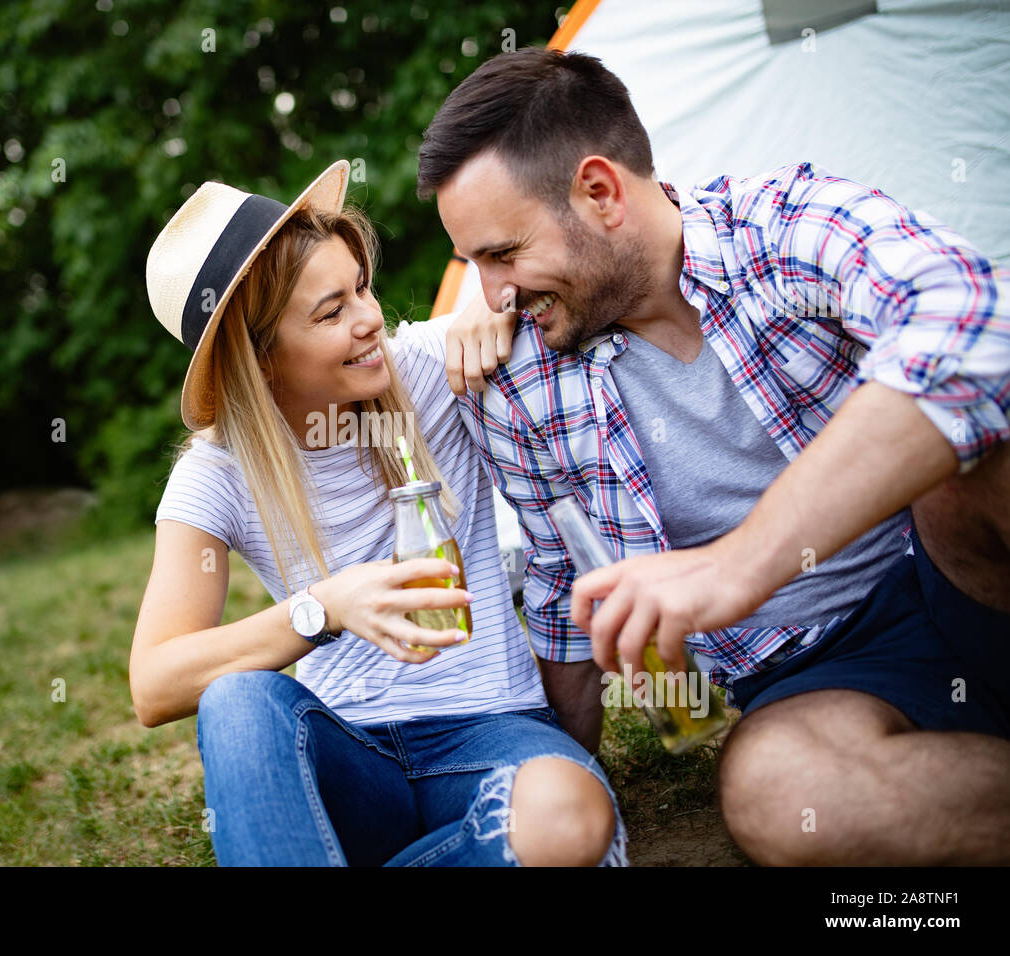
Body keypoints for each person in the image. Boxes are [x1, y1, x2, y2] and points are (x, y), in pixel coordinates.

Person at [415, 46, 1010, 865]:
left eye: (503, 254)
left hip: (958, 570)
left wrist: (737, 566)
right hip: (816, 677)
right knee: (777, 793)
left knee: (982, 453)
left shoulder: (785, 225)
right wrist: (566, 770)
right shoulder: (518, 381)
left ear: (598, 192)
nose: (491, 295)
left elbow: (977, 328)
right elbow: (561, 588)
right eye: (472, 262)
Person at [132, 159, 628, 866]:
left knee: (568, 816)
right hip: (350, 755)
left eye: (360, 288)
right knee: (237, 702)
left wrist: (499, 297)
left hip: (492, 729)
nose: (371, 320)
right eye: (331, 313)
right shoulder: (216, 474)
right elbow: (154, 683)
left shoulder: (433, 367)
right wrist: (324, 608)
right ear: (261, 359)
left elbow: (573, 275)